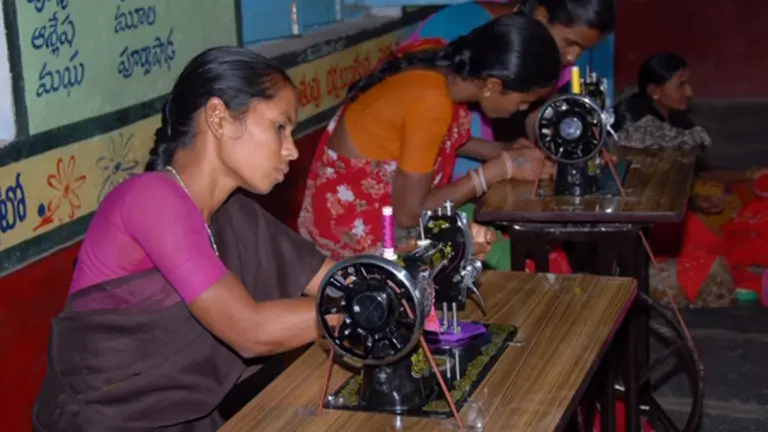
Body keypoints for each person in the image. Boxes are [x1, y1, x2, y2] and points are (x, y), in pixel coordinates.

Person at [32, 47, 339, 431]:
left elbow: (335, 281)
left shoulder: (234, 213)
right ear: (218, 117)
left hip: (184, 420)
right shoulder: (152, 199)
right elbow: (251, 332)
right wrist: (362, 311)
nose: (292, 150)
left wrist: (390, 280)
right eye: (280, 126)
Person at [298, 14, 562, 261]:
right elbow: (409, 215)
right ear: (493, 86)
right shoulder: (431, 100)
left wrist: (503, 150)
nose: (523, 109)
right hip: (355, 239)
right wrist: (495, 170)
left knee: (485, 244)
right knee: (490, 250)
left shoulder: (441, 65)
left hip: (368, 216)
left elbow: (429, 140)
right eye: (523, 101)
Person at [407, 0, 615, 180]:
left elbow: (536, 114)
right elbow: (413, 121)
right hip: (422, 174)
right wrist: (497, 153)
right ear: (542, 16)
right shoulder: (455, 27)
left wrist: (567, 148)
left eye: (582, 50)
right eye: (570, 43)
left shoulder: (554, 55)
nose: (572, 58)